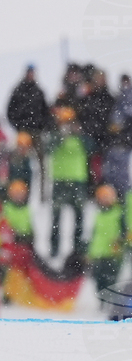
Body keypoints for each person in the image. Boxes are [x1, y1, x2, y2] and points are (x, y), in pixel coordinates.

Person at [48, 106, 92, 257]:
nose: (66, 125)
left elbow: (92, 148)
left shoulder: (81, 137)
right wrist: (61, 136)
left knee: (79, 218)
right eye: (63, 121)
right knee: (55, 219)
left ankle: (78, 251)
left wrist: (79, 134)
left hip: (78, 182)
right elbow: (48, 148)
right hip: (59, 182)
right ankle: (54, 249)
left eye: (69, 121)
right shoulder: (54, 136)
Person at [5, 64, 52, 199]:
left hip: (36, 132)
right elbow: (10, 111)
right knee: (18, 163)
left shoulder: (38, 91)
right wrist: (18, 127)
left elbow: (45, 111)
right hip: (23, 132)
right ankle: (17, 192)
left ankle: (43, 194)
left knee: (42, 162)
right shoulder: (18, 90)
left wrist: (42, 127)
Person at [77, 69, 115, 194]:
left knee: (101, 165)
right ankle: (91, 188)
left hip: (103, 137)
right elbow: (83, 114)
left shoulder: (108, 97)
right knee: (89, 164)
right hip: (89, 136)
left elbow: (110, 117)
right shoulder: (88, 96)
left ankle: (101, 189)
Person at [106, 74, 132, 197]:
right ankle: (117, 195)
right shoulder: (119, 100)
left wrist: (128, 138)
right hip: (118, 141)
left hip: (126, 142)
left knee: (123, 172)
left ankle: (123, 195)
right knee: (113, 171)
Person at [88, 183, 124, 306]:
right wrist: (89, 251)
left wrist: (119, 243)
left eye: (107, 198)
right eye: (102, 198)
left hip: (113, 253)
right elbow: (94, 233)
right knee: (98, 280)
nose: (104, 201)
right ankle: (102, 303)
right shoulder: (98, 214)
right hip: (98, 253)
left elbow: (124, 231)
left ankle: (111, 303)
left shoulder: (119, 213)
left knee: (112, 280)